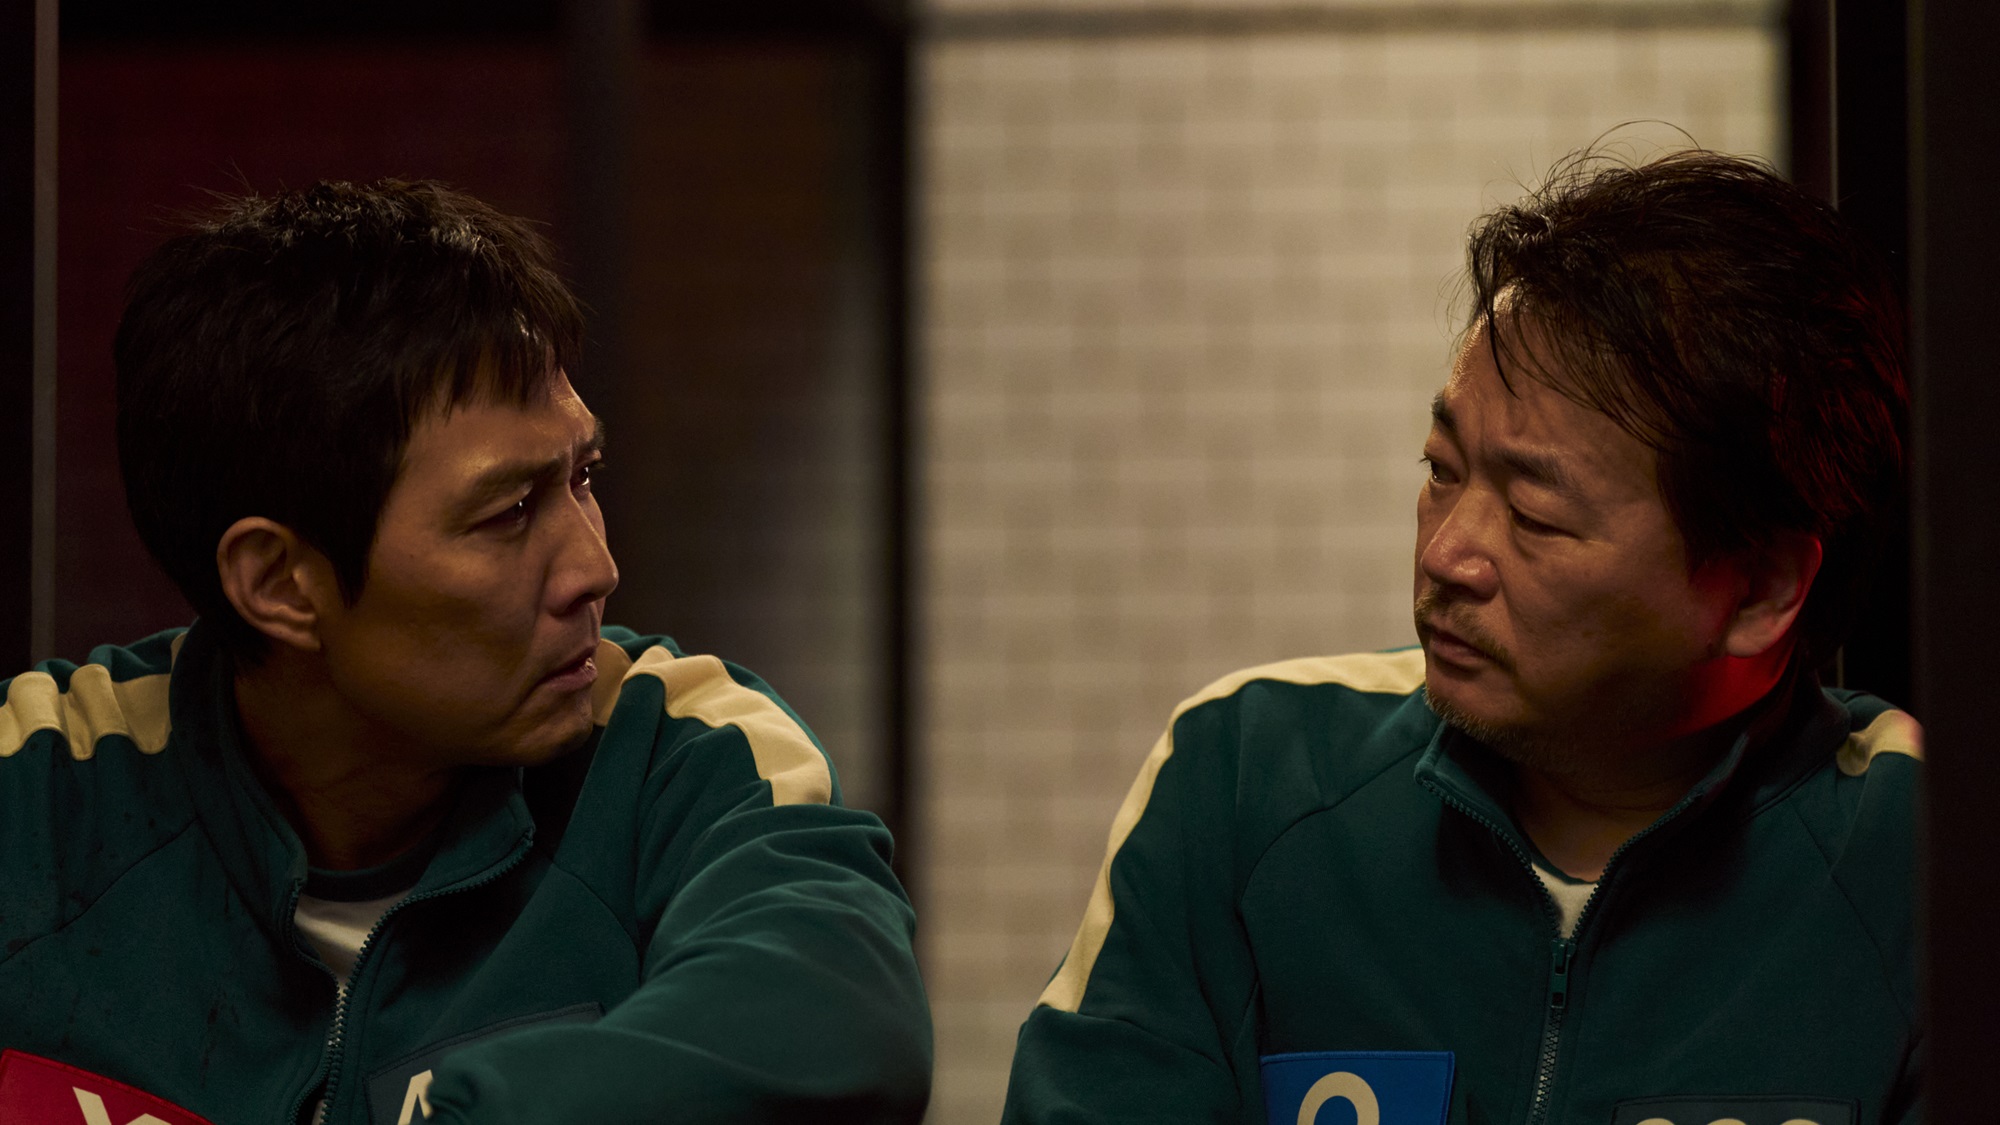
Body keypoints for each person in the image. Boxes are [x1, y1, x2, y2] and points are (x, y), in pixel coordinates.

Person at [1002, 150, 1919, 1125]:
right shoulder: (1245, 780)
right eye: (1441, 469)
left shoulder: (1917, 856)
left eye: (1534, 516)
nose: (1446, 554)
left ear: (1760, 589)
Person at [0, 181, 931, 1125]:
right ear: (280, 583)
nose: (595, 569)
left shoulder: (675, 748)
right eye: (510, 512)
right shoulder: (41, 786)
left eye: (584, 477)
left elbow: (841, 1020)